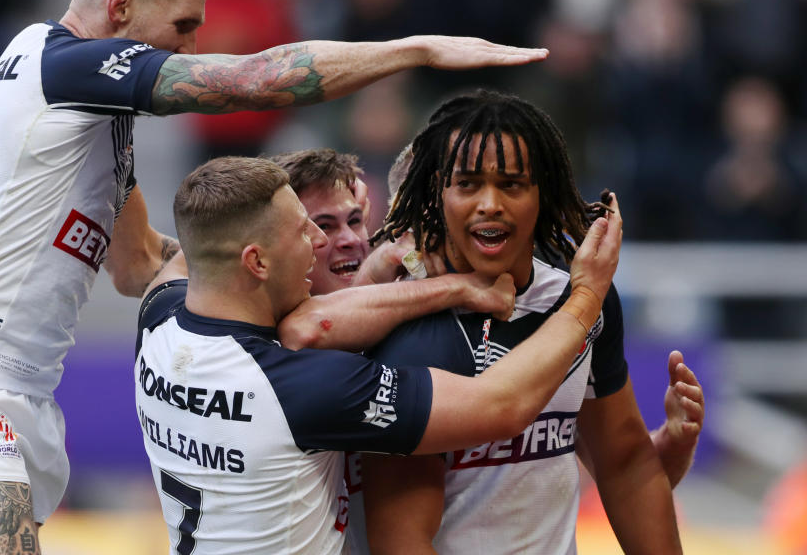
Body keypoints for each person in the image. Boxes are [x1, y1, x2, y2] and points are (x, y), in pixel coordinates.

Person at [0, 0, 553, 554]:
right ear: (119, 8)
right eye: (182, 27)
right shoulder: (58, 65)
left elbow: (139, 263)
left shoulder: (93, 125)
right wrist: (416, 50)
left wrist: (341, 278)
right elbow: (252, 82)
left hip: (22, 391)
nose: (192, 47)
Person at [135, 155, 624, 554]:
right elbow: (502, 406)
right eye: (306, 229)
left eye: (350, 220)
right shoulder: (306, 386)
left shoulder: (160, 319)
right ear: (256, 261)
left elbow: (201, 236)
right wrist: (585, 298)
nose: (325, 240)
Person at [273, 145, 704, 555]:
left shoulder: (542, 301)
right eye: (323, 227)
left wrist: (665, 449)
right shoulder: (287, 351)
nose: (350, 239)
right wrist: (580, 297)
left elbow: (616, 473)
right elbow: (308, 326)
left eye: (354, 221)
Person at [361, 88, 683, 554]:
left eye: (511, 184)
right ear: (437, 193)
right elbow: (401, 539)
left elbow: (625, 462)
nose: (490, 203)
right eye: (467, 183)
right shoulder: (409, 330)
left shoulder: (582, 295)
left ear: (542, 193)